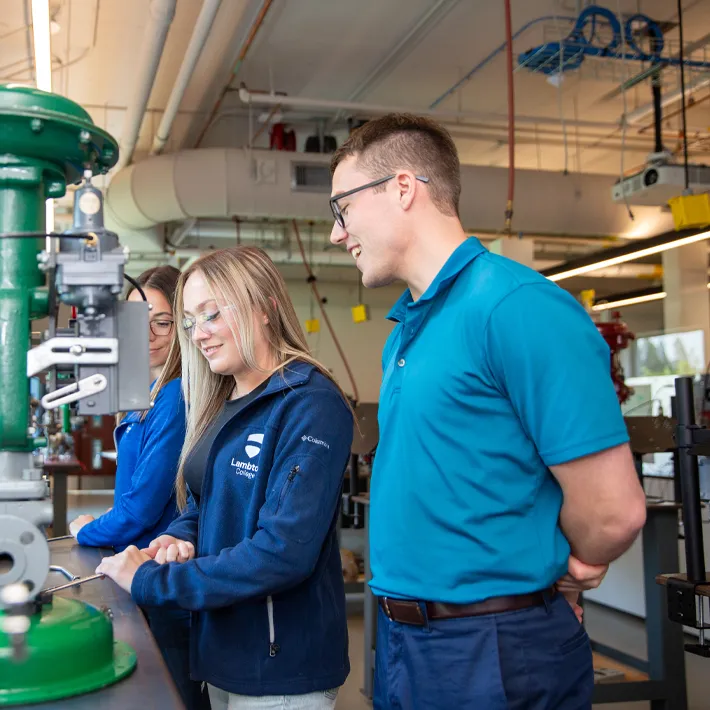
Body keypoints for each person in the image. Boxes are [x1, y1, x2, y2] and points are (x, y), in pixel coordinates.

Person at [328, 114, 648, 709]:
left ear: (403, 188)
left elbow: (615, 511)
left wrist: (573, 567)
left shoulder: (516, 307)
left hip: (493, 646)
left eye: (341, 209)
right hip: (407, 642)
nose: (335, 233)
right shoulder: (406, 328)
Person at [95, 247, 354, 710]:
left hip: (279, 666)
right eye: (190, 322)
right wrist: (177, 539)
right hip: (220, 650)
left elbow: (283, 553)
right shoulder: (222, 401)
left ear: (265, 308)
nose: (198, 335)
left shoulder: (309, 403)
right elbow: (201, 504)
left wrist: (153, 581)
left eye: (210, 315)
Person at [69, 266, 205, 710]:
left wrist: (87, 531)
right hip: (140, 570)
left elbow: (143, 505)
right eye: (137, 320)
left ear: (182, 323)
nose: (148, 333)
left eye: (162, 321)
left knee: (170, 696)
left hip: (163, 575)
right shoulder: (148, 392)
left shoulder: (174, 396)